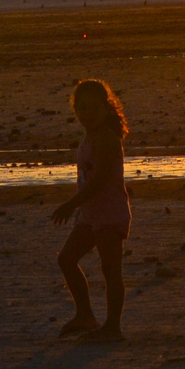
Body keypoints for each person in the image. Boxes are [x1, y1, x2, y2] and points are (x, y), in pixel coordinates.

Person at [52, 79, 132, 342]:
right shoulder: (88, 136)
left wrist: (70, 204)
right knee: (66, 259)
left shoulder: (108, 139)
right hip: (89, 213)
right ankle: (85, 315)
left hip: (109, 213)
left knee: (111, 271)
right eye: (82, 109)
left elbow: (98, 182)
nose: (87, 115)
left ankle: (113, 327)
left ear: (106, 108)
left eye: (93, 109)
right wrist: (79, 207)